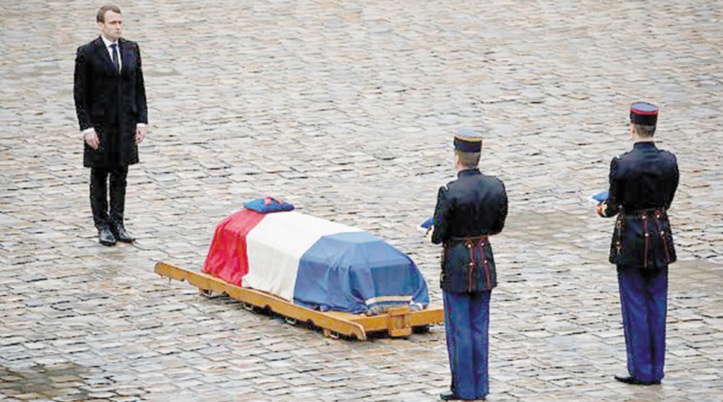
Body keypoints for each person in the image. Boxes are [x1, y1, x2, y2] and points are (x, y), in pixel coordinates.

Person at [597, 101, 679, 386]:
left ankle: (641, 369)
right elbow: (667, 200)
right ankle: (656, 369)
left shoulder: (622, 163)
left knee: (634, 304)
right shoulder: (669, 160)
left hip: (631, 238)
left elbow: (613, 205)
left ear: (632, 126)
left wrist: (603, 209)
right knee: (657, 302)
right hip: (659, 235)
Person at [430, 129, 508, 401]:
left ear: (457, 157)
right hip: (484, 259)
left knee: (459, 328)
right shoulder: (496, 186)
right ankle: (480, 387)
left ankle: (463, 388)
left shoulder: (449, 191)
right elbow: (497, 226)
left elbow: (438, 234)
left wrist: (430, 233)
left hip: (457, 263)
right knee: (479, 326)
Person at [74, 4, 148, 246]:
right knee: (100, 175)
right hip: (100, 125)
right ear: (101, 25)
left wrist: (141, 120)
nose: (117, 27)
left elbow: (139, 87)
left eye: (120, 22)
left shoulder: (131, 49)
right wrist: (87, 127)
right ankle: (102, 225)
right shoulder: (87, 53)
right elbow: (80, 94)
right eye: (112, 23)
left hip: (125, 122)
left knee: (121, 174)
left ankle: (118, 222)